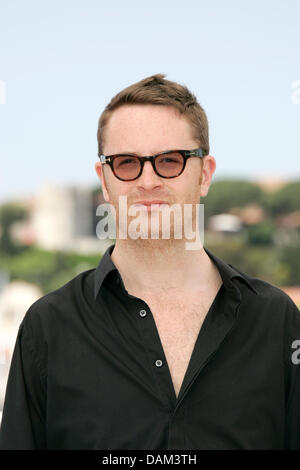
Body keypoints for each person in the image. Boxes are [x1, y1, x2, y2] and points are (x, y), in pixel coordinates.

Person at [0, 74, 299, 450]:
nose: (148, 180)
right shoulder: (47, 328)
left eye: (169, 161)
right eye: (126, 163)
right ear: (105, 181)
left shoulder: (276, 321)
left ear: (205, 174)